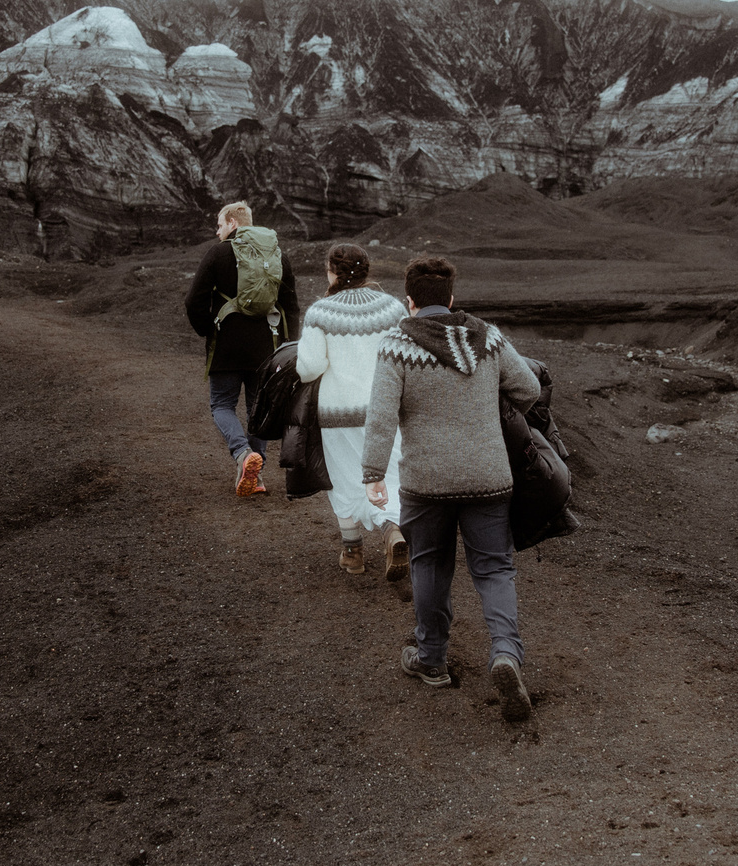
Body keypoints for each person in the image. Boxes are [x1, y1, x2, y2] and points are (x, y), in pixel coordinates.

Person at [361, 254, 543, 722]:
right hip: (489, 477)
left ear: (409, 300)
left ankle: (432, 661)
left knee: (430, 565)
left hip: (426, 482)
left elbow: (381, 416)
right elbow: (527, 391)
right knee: (494, 570)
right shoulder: (489, 336)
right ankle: (505, 654)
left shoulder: (396, 343)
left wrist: (373, 474)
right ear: (452, 298)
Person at [293, 242, 409, 577]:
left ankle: (353, 552)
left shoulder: (321, 312)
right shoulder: (392, 308)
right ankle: (392, 530)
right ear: (367, 269)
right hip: (386, 411)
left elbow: (309, 368)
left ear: (332, 271)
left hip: (337, 416)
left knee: (344, 479)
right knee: (389, 476)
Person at [183, 200, 299, 496]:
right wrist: (287, 346)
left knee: (222, 405)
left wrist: (208, 330)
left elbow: (193, 300)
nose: (217, 230)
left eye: (220, 224)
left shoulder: (218, 253)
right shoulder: (276, 254)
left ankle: (243, 454)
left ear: (233, 224)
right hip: (266, 346)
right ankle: (256, 477)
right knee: (257, 410)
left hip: (226, 345)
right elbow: (290, 305)